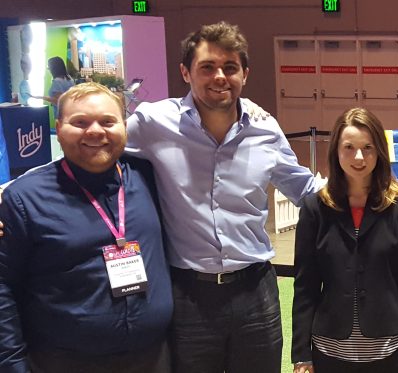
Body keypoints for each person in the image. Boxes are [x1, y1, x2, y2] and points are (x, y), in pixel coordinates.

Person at [125, 22, 319, 372]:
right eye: (207, 67)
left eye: (230, 68)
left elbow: (305, 190)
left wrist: (376, 194)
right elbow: (95, 149)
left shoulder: (265, 130)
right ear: (186, 72)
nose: (220, 77)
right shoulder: (152, 123)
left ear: (245, 74)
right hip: (188, 296)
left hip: (256, 291)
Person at [0, 82, 172, 372]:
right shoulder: (25, 198)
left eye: (108, 121)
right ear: (58, 127)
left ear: (124, 127)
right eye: (79, 122)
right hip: (64, 362)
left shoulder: (151, 177)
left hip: (153, 357)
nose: (95, 131)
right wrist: (12, 363)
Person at [291, 108, 398, 373]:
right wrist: (301, 354)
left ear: (380, 152)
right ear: (336, 151)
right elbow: (305, 286)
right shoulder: (314, 209)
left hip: (388, 348)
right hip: (329, 349)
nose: (359, 157)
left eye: (368, 147)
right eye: (349, 147)